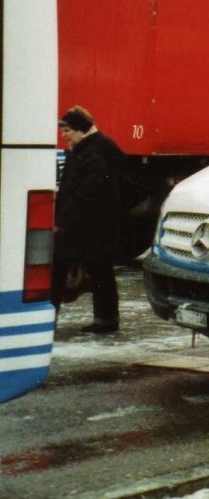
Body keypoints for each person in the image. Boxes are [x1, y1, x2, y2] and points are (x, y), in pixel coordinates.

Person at [53, 106, 124, 333]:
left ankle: (48, 318)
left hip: (87, 225)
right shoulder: (97, 146)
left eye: (68, 131)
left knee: (60, 268)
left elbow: (85, 191)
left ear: (81, 130)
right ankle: (106, 319)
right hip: (97, 223)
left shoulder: (92, 152)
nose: (64, 136)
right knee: (100, 270)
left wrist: (63, 220)